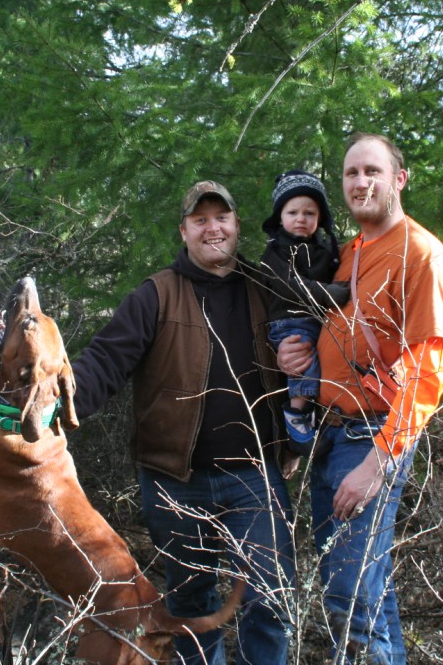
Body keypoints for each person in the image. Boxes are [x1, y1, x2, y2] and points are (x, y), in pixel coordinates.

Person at [71, 180, 296, 665]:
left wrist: (295, 444)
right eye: (200, 220)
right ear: (184, 231)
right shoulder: (156, 295)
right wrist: (58, 404)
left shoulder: (265, 289)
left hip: (255, 478)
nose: (213, 229)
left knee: (271, 599)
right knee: (191, 605)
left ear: (236, 224)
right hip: (175, 482)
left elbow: (303, 357)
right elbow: (106, 360)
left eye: (221, 218)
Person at [278, 133, 443, 665]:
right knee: (363, 592)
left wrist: (377, 463)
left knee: (350, 594)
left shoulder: (420, 253)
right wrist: (294, 354)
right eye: (352, 173)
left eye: (372, 171)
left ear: (399, 179)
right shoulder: (350, 253)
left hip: (370, 437)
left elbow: (428, 373)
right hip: (331, 433)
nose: (361, 182)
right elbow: (333, 330)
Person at [258, 169, 350, 455]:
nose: (301, 218)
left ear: (320, 218)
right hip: (289, 320)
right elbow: (290, 286)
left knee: (321, 362)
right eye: (293, 212)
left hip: (317, 318)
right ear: (280, 217)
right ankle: (296, 417)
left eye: (309, 213)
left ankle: (310, 418)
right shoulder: (275, 252)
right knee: (304, 359)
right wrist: (332, 293)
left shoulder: (324, 249)